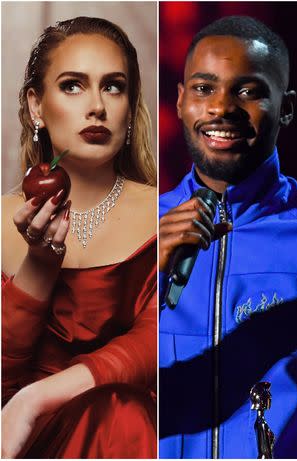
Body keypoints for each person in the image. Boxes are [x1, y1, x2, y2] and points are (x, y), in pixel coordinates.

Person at [1, 17, 157, 458]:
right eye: (72, 86)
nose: (96, 107)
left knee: (119, 412)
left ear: (130, 105)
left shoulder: (172, 214)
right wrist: (39, 266)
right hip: (31, 442)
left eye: (113, 87)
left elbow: (158, 342)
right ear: (36, 106)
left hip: (135, 434)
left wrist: (37, 397)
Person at [158, 16, 297, 459]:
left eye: (248, 91)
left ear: (286, 106)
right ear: (181, 101)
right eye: (204, 88)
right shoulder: (135, 233)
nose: (222, 107)